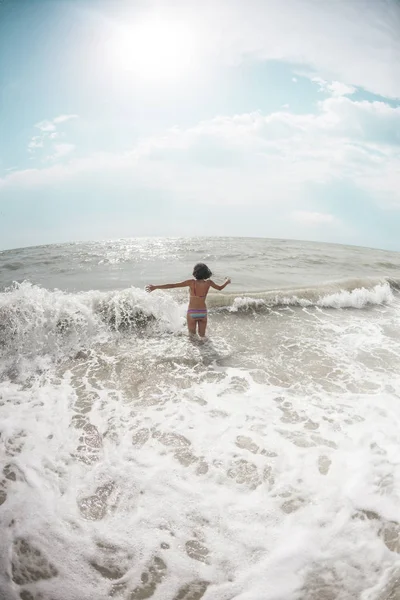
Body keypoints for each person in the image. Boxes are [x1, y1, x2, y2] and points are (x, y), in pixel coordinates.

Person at [146, 263, 231, 337]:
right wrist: (227, 282)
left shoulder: (191, 282)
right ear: (206, 272)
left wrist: (155, 287)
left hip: (192, 312)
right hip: (203, 312)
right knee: (202, 336)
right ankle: (207, 353)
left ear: (195, 272)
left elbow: (173, 285)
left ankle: (194, 354)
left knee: (192, 337)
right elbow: (220, 288)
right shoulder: (209, 283)